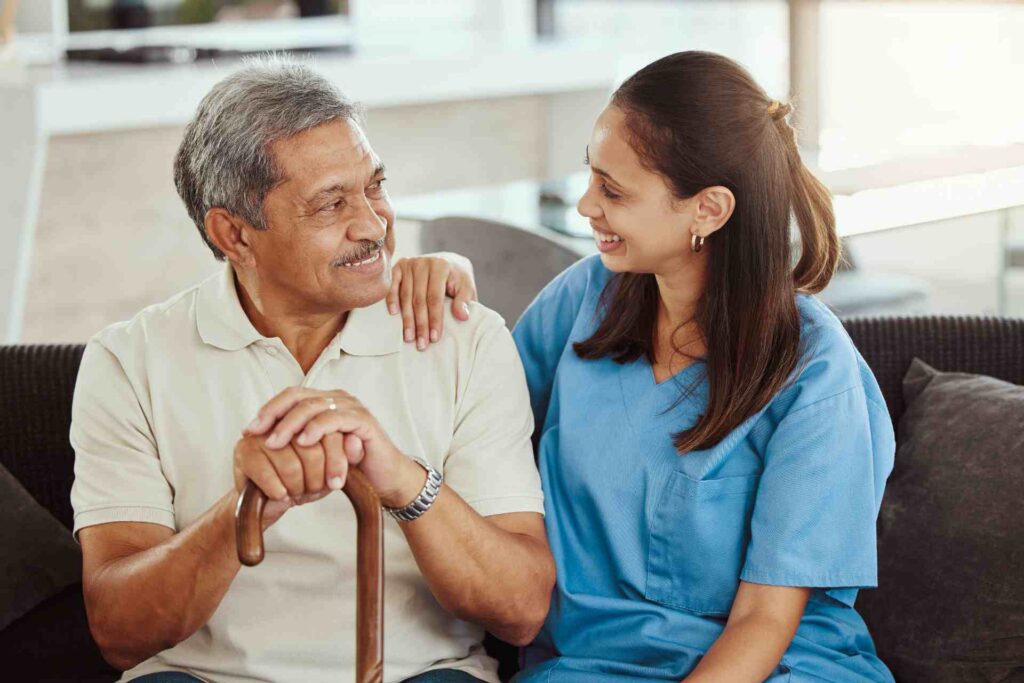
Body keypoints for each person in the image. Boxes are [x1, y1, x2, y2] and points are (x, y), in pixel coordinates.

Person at [387, 51, 896, 682]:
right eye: (591, 176)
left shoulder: (811, 367)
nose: (584, 206)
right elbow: (472, 422)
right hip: (590, 669)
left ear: (707, 210)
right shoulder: (579, 303)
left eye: (613, 191)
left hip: (771, 667)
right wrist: (456, 280)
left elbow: (764, 619)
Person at [69, 55, 554, 683]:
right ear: (234, 235)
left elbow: (521, 612)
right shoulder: (128, 360)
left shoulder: (466, 339)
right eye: (330, 205)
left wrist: (402, 479)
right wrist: (246, 509)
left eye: (374, 186)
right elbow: (119, 634)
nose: (374, 223)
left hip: (420, 674)